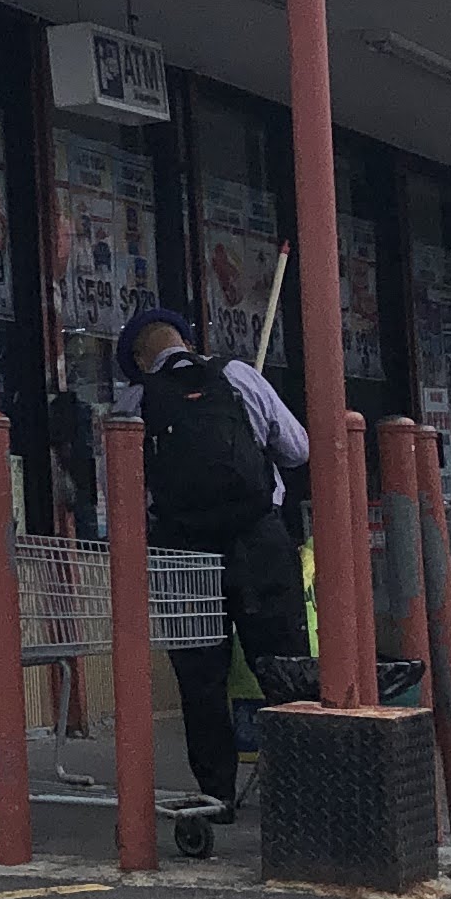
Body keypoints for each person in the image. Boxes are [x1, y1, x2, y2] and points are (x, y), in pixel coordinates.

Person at [115, 303, 315, 817]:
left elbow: (122, 488)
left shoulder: (133, 403)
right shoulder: (239, 375)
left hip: (183, 553)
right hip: (258, 542)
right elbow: (298, 449)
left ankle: (216, 794)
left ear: (139, 357)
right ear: (185, 339)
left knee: (200, 674)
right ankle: (299, 790)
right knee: (283, 663)